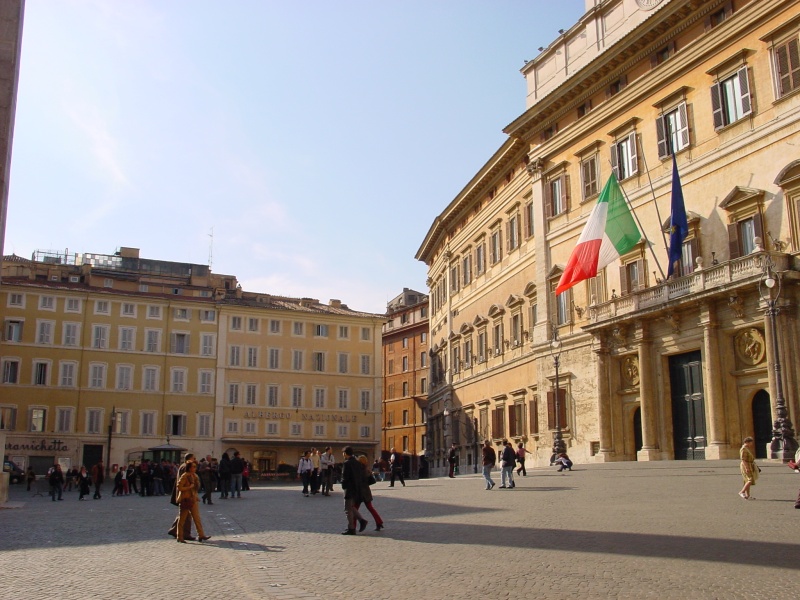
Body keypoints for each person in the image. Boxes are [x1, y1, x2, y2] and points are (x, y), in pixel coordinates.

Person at [175, 461, 210, 543]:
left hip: (193, 500)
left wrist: (196, 494)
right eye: (193, 466)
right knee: (182, 519)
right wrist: (189, 487)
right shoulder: (184, 476)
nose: (195, 468)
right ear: (189, 468)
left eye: (195, 466)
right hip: (185, 500)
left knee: (197, 518)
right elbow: (179, 487)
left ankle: (201, 535)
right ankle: (179, 536)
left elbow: (195, 489)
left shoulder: (195, 476)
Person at [168, 454, 197, 541]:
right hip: (185, 494)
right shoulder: (186, 467)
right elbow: (185, 482)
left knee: (183, 513)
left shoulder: (182, 466)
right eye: (193, 458)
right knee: (187, 515)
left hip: (184, 493)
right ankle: (185, 533)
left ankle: (174, 530)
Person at [340, 447, 368, 535]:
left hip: (348, 488)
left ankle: (351, 528)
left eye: (343, 453)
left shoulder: (347, 463)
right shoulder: (357, 463)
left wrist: (343, 485)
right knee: (351, 506)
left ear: (345, 453)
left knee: (347, 509)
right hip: (356, 488)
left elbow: (344, 477)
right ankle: (361, 521)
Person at [355, 456, 384, 531]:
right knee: (371, 508)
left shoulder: (359, 470)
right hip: (366, 491)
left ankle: (353, 526)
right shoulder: (366, 469)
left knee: (354, 510)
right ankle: (379, 522)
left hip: (360, 492)